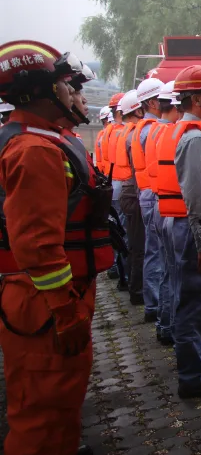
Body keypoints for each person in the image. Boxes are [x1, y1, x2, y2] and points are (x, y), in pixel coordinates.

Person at [0, 40, 116, 455]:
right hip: (44, 303)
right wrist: (64, 311)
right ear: (41, 91)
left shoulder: (41, 140)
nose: (74, 92)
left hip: (50, 297)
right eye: (66, 84)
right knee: (41, 414)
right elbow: (38, 245)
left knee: (59, 402)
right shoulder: (34, 152)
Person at [157, 65, 201, 397]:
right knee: (196, 303)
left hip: (173, 221)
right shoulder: (195, 137)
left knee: (185, 296)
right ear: (198, 98)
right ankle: (195, 376)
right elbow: (196, 197)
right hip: (188, 227)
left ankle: (197, 368)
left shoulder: (172, 130)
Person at [147, 83, 181, 345]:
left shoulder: (156, 132)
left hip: (159, 203)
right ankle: (170, 326)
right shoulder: (174, 133)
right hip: (173, 210)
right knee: (175, 274)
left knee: (167, 270)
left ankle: (164, 322)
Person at [130, 78, 165, 323]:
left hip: (146, 193)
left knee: (153, 252)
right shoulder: (151, 130)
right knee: (156, 253)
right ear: (152, 102)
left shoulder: (141, 129)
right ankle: (155, 305)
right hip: (153, 194)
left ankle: (154, 304)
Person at [115, 90, 147, 306]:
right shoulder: (133, 134)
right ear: (137, 110)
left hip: (126, 193)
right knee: (139, 246)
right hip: (133, 194)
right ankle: (137, 291)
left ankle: (134, 286)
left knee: (134, 243)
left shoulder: (121, 132)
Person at [106, 92, 129, 287]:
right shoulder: (122, 132)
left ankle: (117, 268)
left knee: (116, 229)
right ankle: (123, 273)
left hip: (113, 183)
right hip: (123, 184)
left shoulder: (108, 132)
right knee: (123, 232)